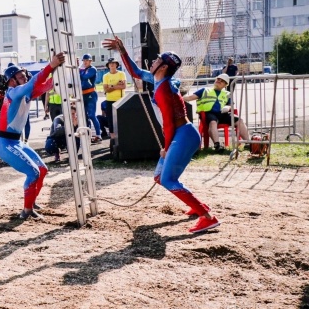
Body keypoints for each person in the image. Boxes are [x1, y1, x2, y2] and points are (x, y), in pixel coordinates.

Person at [104, 37, 220, 234]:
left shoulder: (164, 89)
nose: (153, 62)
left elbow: (168, 123)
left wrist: (166, 147)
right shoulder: (159, 81)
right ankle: (199, 206)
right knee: (160, 177)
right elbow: (136, 72)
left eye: (157, 60)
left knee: (168, 180)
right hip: (182, 135)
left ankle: (208, 218)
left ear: (164, 67)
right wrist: (122, 51)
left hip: (182, 136)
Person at [0, 54, 65, 220]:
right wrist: (51, 65)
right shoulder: (13, 92)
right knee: (33, 173)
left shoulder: (23, 93)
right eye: (20, 76)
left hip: (15, 141)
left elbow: (44, 85)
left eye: (24, 75)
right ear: (11, 81)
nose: (24, 77)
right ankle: (27, 211)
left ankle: (31, 202)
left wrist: (58, 72)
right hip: (5, 143)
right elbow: (34, 82)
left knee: (42, 170)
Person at [183, 73, 249, 152]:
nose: (219, 81)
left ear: (225, 85)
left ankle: (248, 143)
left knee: (239, 120)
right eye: (218, 79)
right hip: (208, 114)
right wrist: (177, 97)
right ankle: (217, 145)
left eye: (222, 81)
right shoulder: (205, 90)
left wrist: (227, 108)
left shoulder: (227, 94)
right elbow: (190, 97)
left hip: (223, 114)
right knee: (213, 122)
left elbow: (230, 105)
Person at [101, 58, 126, 139]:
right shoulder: (106, 76)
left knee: (121, 118)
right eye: (110, 63)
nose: (112, 65)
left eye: (113, 63)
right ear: (108, 65)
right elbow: (106, 90)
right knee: (111, 119)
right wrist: (116, 85)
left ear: (116, 65)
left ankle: (122, 136)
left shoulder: (121, 74)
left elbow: (124, 86)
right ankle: (112, 137)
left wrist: (111, 86)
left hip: (120, 99)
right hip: (110, 100)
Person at [79, 54, 102, 143]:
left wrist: (78, 70)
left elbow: (84, 77)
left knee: (92, 115)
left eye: (87, 60)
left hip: (91, 94)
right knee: (84, 116)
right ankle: (87, 135)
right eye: (84, 60)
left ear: (90, 61)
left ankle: (98, 134)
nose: (85, 62)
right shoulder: (83, 69)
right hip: (83, 94)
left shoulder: (92, 69)